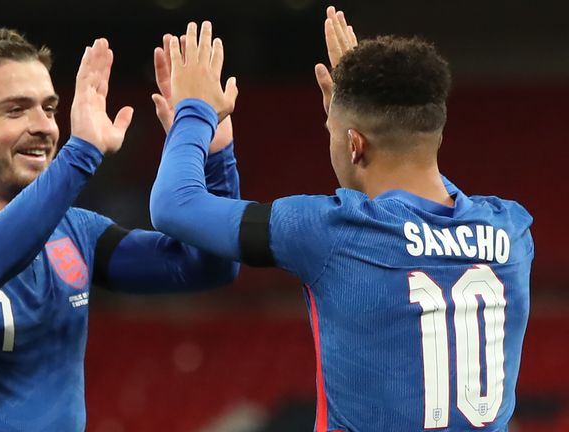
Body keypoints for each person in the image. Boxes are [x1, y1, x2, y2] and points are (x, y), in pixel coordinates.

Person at [150, 8, 533, 432]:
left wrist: (195, 113)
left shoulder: (330, 231)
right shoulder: (512, 231)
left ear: (354, 144)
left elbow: (175, 204)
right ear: (436, 133)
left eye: (331, 127)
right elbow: (425, 189)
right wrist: (373, 104)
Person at [0, 28, 241, 431]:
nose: (44, 127)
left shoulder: (75, 232)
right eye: (16, 110)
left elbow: (209, 264)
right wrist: (81, 152)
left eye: (49, 108)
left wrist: (214, 153)